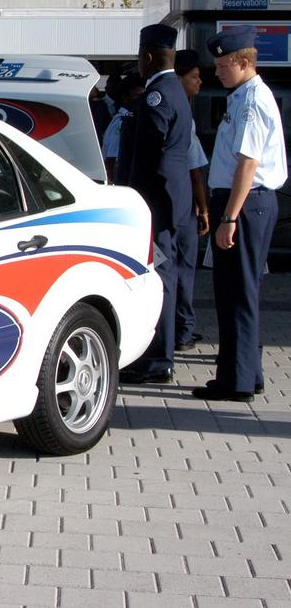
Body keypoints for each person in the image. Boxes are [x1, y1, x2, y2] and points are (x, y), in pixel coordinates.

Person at [193, 26, 287, 402]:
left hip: (244, 205)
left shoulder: (251, 101)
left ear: (243, 62)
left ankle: (237, 382)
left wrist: (229, 217)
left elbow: (248, 163)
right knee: (239, 291)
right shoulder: (244, 96)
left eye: (222, 65)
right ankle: (249, 372)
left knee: (237, 293)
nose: (217, 72)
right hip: (245, 203)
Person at [118, 24, 192, 385]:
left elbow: (148, 158)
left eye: (139, 57)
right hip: (169, 201)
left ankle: (157, 360)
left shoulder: (157, 96)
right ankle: (159, 356)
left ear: (147, 56)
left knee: (158, 278)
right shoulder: (174, 89)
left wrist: (136, 201)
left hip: (155, 204)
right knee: (166, 275)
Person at [172, 49, 209, 351]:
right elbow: (195, 170)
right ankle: (182, 330)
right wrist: (204, 207)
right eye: (194, 77)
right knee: (184, 267)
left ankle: (182, 328)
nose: (199, 83)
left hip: (177, 203)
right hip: (182, 205)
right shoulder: (183, 114)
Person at [103, 71, 144, 182]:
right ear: (125, 98)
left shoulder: (130, 119)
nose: (141, 101)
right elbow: (111, 161)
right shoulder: (122, 123)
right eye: (137, 96)